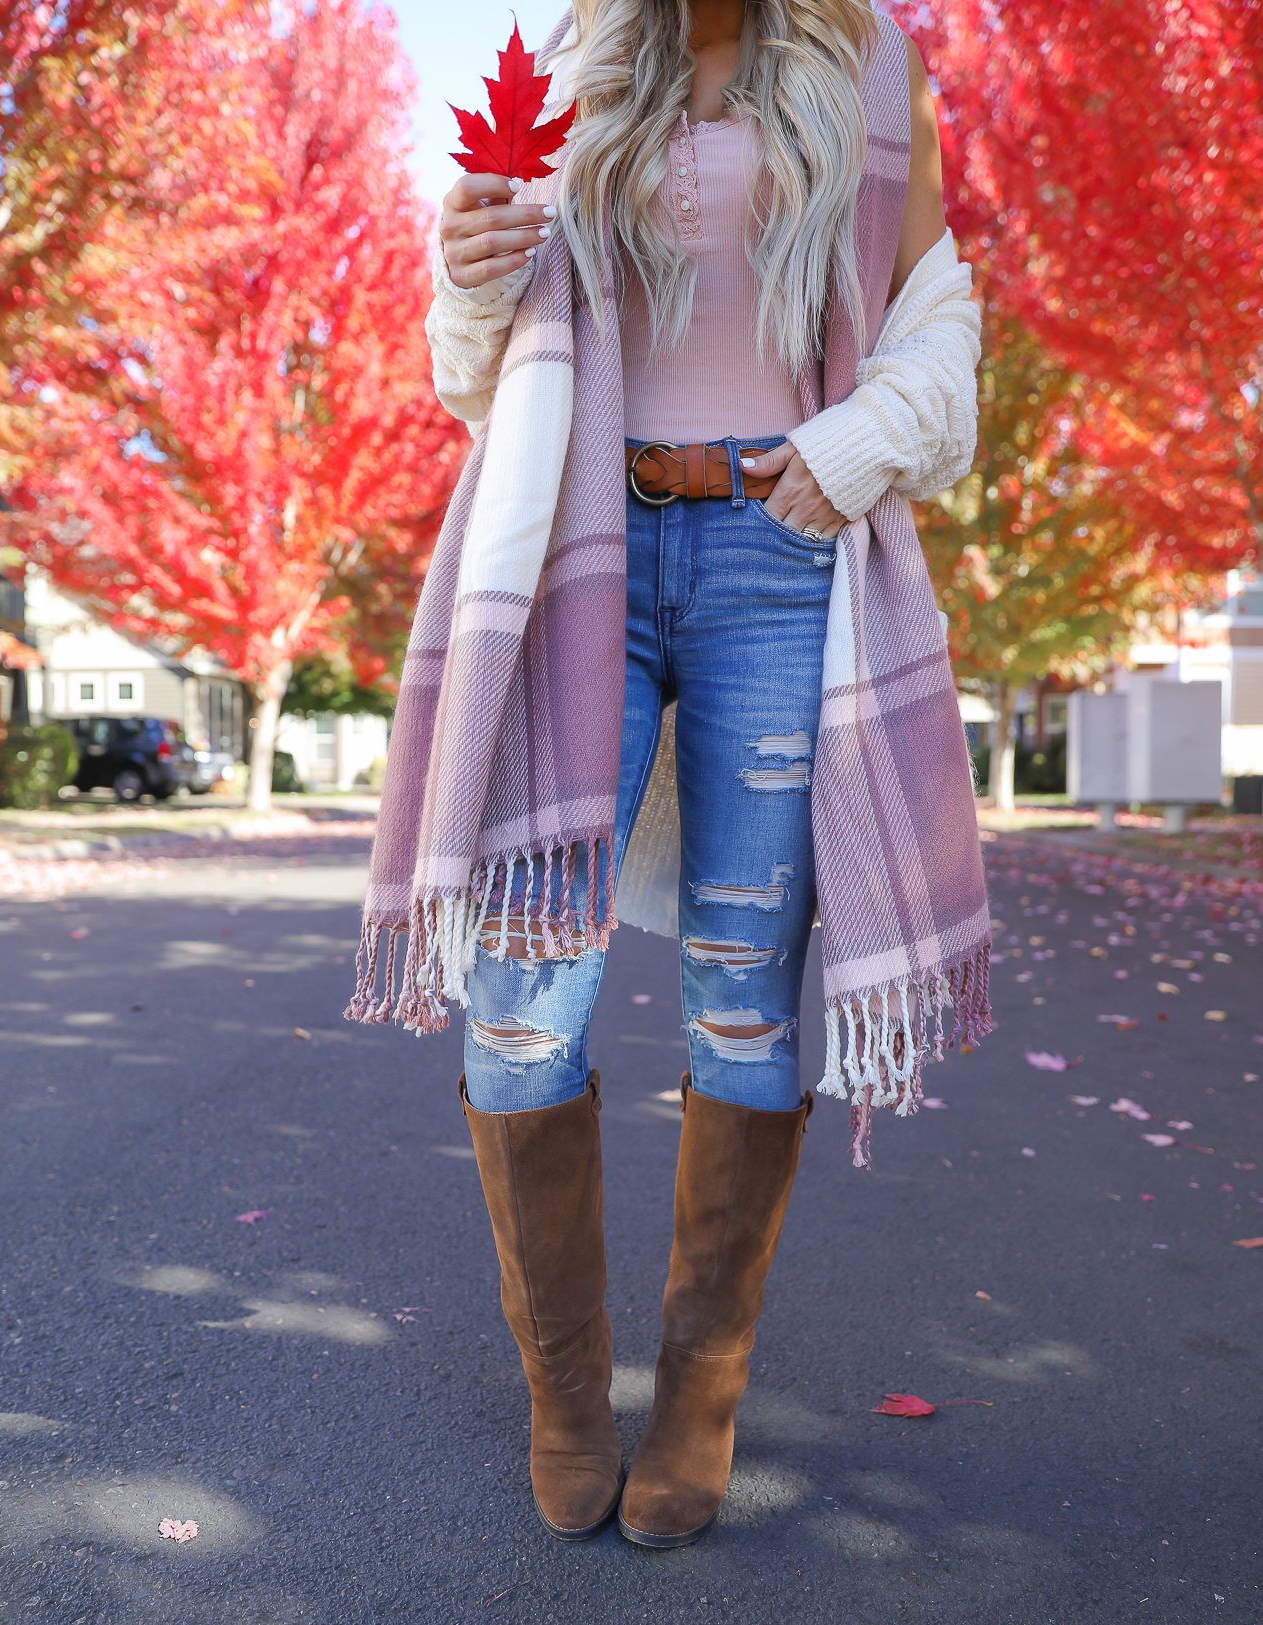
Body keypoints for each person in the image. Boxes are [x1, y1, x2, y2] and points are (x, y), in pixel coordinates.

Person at [351, 0, 991, 1549]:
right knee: (519, 987)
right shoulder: (569, 70)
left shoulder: (869, 72)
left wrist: (850, 450)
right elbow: (470, 378)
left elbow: (940, 322)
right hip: (581, 547)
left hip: (782, 544)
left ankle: (697, 1396)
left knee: (743, 981)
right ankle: (566, 1390)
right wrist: (468, 276)